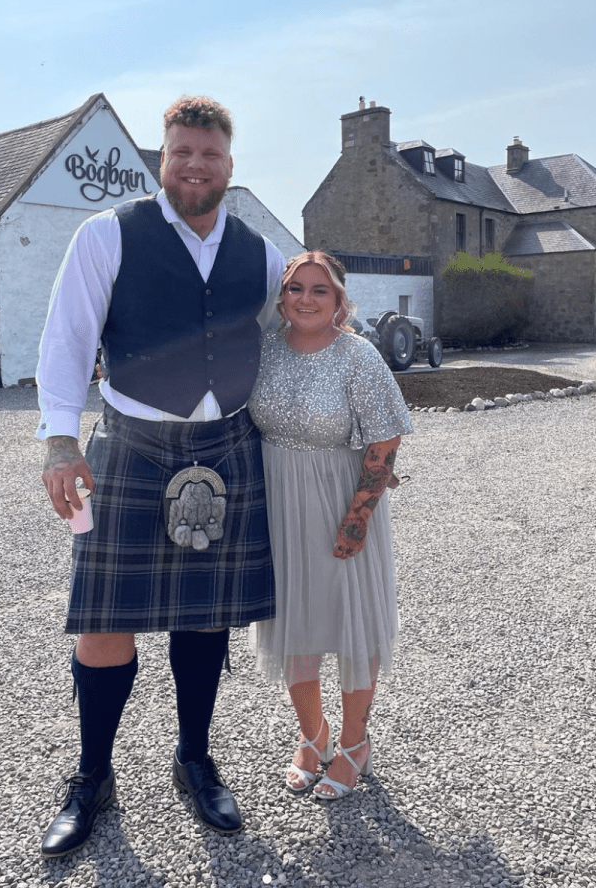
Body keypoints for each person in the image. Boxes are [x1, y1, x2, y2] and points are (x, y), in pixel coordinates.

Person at [36, 96, 284, 855]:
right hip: (133, 447)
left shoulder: (262, 251)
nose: (194, 165)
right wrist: (58, 441)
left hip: (227, 446)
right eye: (181, 152)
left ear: (229, 165)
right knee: (105, 621)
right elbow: (68, 339)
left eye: (209, 155)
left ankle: (195, 760)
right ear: (162, 158)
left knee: (205, 617)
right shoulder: (107, 234)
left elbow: (297, 339)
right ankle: (92, 776)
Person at [247, 251, 412, 800]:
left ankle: (354, 742)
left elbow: (385, 438)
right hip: (277, 497)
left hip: (339, 497)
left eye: (320, 290)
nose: (306, 299)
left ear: (340, 300)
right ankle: (312, 736)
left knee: (350, 619)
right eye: (296, 288)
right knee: (294, 615)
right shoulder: (264, 351)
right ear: (281, 297)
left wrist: (358, 517)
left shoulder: (358, 357)